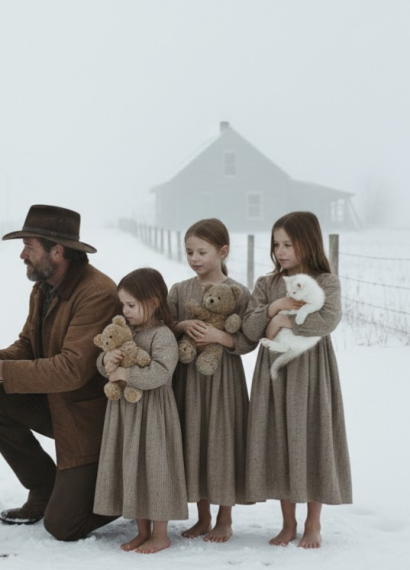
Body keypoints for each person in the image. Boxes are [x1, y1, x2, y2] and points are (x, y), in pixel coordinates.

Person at [0, 204, 121, 541]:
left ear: (57, 250)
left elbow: (71, 370)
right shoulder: (44, 286)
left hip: (90, 423)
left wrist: (2, 369)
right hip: (58, 405)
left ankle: (129, 494)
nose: (22, 254)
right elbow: (28, 346)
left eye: (29, 245)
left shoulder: (97, 294)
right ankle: (44, 490)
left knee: (63, 526)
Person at [243, 211, 351, 549]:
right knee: (278, 438)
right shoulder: (267, 284)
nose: (281, 251)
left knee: (311, 436)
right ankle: (287, 524)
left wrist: (284, 323)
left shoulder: (326, 281)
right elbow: (249, 327)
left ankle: (313, 523)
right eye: (276, 244)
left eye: (288, 244)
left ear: (309, 242)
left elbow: (327, 319)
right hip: (273, 373)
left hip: (311, 370)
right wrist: (275, 307)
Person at [167, 219, 257, 543]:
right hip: (189, 381)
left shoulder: (239, 292)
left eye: (201, 252)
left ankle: (225, 519)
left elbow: (248, 339)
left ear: (223, 252)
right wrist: (182, 326)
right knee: (196, 440)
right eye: (189, 251)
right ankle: (202, 517)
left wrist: (222, 336)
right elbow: (165, 326)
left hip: (224, 382)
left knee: (222, 442)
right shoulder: (179, 291)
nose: (194, 258)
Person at [94, 268, 188, 554]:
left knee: (156, 469)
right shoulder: (127, 333)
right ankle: (142, 530)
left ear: (154, 301)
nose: (126, 310)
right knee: (134, 469)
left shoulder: (162, 336)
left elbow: (160, 373)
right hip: (126, 414)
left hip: (154, 415)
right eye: (123, 305)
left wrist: (125, 374)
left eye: (132, 305)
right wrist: (107, 360)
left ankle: (161, 533)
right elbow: (103, 363)